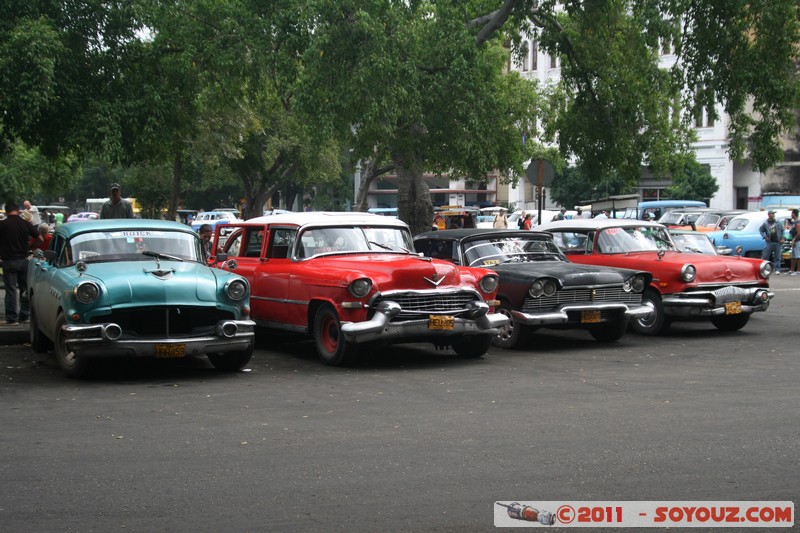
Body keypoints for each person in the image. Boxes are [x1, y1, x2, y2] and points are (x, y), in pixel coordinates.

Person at [0, 201, 39, 325]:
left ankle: (11, 318)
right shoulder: (25, 223)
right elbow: (40, 238)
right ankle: (25, 315)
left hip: (8, 261)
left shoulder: (2, 224)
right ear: (18, 210)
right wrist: (31, 247)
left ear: (6, 211)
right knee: (24, 288)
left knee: (10, 290)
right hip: (23, 260)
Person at [759, 210, 783, 274]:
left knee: (777, 256)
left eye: (774, 214)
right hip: (769, 242)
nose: (773, 215)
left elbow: (782, 230)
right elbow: (761, 230)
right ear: (769, 215)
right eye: (772, 214)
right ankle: (764, 268)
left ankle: (777, 269)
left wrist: (782, 238)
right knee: (765, 255)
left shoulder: (778, 222)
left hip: (777, 241)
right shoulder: (765, 223)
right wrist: (765, 236)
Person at [788, 208, 800, 275]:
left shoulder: (798, 222)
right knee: (793, 256)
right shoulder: (795, 221)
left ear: (794, 214)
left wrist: (794, 240)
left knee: (798, 256)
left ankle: (798, 271)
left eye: (792, 213)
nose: (791, 214)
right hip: (794, 241)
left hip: (798, 241)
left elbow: (799, 232)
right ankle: (792, 270)